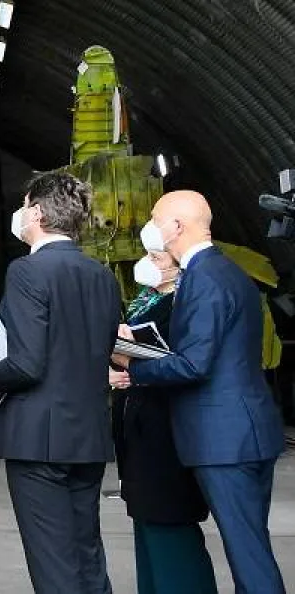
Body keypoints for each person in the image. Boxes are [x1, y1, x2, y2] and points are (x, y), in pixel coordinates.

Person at [117, 191, 286, 594]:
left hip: (223, 440)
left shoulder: (203, 277)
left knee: (249, 554)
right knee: (251, 547)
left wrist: (131, 367)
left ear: (176, 227)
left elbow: (194, 363)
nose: (151, 228)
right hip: (245, 430)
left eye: (156, 219)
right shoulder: (226, 271)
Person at [0, 171, 122, 594]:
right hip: (89, 432)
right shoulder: (101, 274)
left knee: (52, 561)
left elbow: (27, 364)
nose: (20, 214)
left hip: (39, 437)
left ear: (38, 213)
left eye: (25, 205)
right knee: (86, 549)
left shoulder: (27, 271)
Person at [109, 249, 217, 594]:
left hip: (166, 428)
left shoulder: (186, 302)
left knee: (168, 521)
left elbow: (189, 364)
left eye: (157, 257)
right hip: (139, 422)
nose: (146, 262)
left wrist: (132, 360)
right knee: (147, 522)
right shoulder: (147, 300)